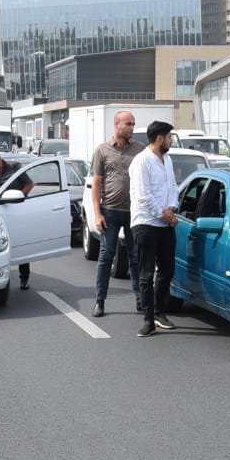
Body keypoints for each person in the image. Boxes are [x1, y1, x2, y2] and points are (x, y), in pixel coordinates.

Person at [130, 120, 179, 338]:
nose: (170, 140)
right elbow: (143, 196)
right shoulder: (141, 161)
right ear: (160, 138)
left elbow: (173, 187)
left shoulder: (167, 160)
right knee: (146, 273)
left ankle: (159, 312)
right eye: (169, 137)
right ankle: (148, 319)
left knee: (167, 270)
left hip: (165, 224)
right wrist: (163, 213)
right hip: (146, 224)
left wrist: (172, 207)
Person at [89, 110, 141, 317]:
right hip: (110, 211)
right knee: (106, 255)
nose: (131, 128)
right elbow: (96, 183)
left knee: (136, 257)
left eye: (133, 124)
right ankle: (99, 301)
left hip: (134, 212)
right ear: (117, 124)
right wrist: (97, 213)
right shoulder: (102, 150)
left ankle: (141, 300)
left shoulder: (139, 149)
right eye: (128, 124)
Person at [0, 148, 34, 288]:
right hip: (0, 214)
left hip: (18, 211)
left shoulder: (14, 167)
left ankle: (24, 278)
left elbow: (29, 184)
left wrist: (20, 197)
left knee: (21, 244)